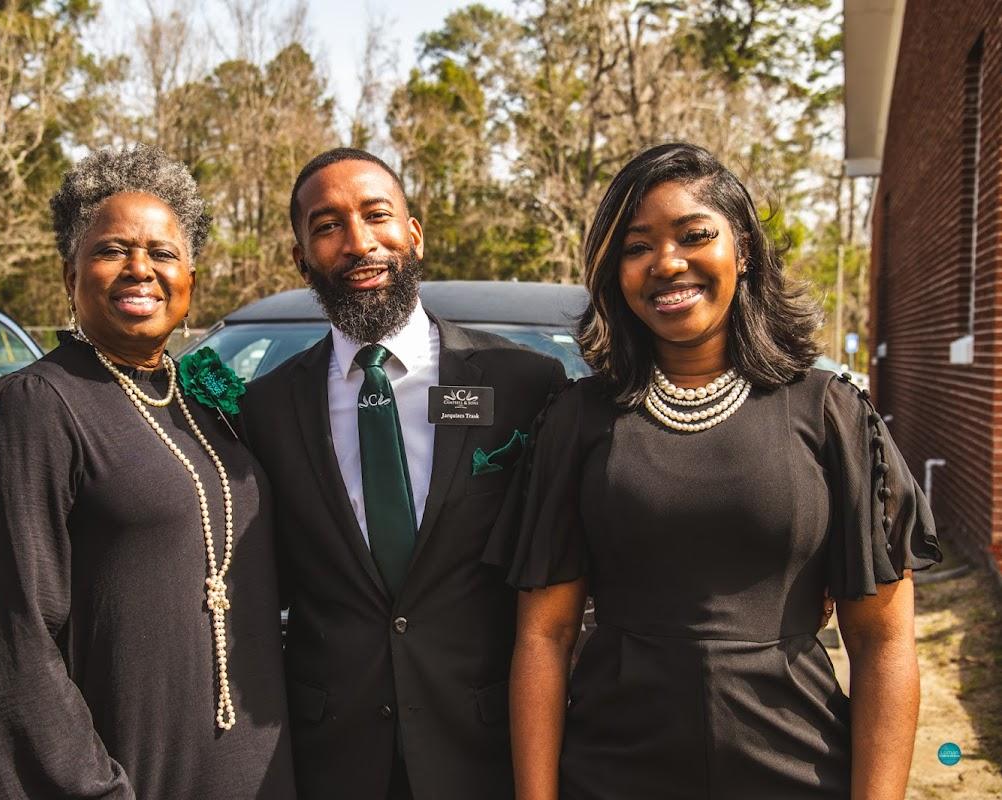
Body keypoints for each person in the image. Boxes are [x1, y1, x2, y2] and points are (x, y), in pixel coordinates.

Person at [488, 142, 942, 800]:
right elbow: (545, 635)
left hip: (798, 771)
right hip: (613, 774)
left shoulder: (830, 414)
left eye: (694, 235)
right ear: (615, 271)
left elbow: (883, 642)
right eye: (637, 246)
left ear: (746, 250)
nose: (667, 263)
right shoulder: (578, 422)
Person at [0, 145, 295, 799]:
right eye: (113, 250)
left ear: (191, 276)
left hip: (259, 773)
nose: (141, 269)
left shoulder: (200, 403)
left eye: (163, 253)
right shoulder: (33, 407)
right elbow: (11, 645)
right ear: (69, 272)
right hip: (135, 777)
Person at [239, 148, 567, 800]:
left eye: (376, 215)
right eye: (327, 225)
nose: (358, 242)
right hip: (330, 757)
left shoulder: (521, 385)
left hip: (483, 749)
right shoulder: (267, 408)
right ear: (301, 258)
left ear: (413, 233)